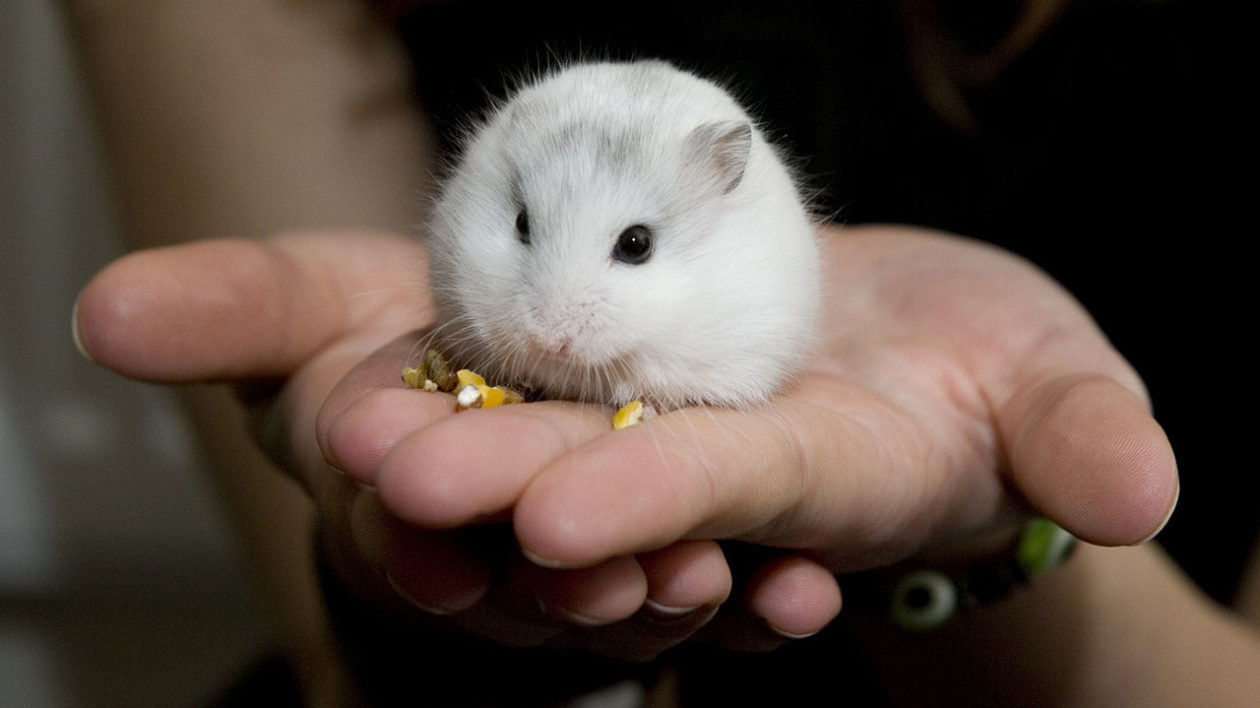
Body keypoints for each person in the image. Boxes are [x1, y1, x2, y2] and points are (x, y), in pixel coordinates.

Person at [63, 0, 1258, 705]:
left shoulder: (737, 210)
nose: (555, 322)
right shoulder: (503, 169)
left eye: (630, 250)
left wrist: (990, 533)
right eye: (526, 242)